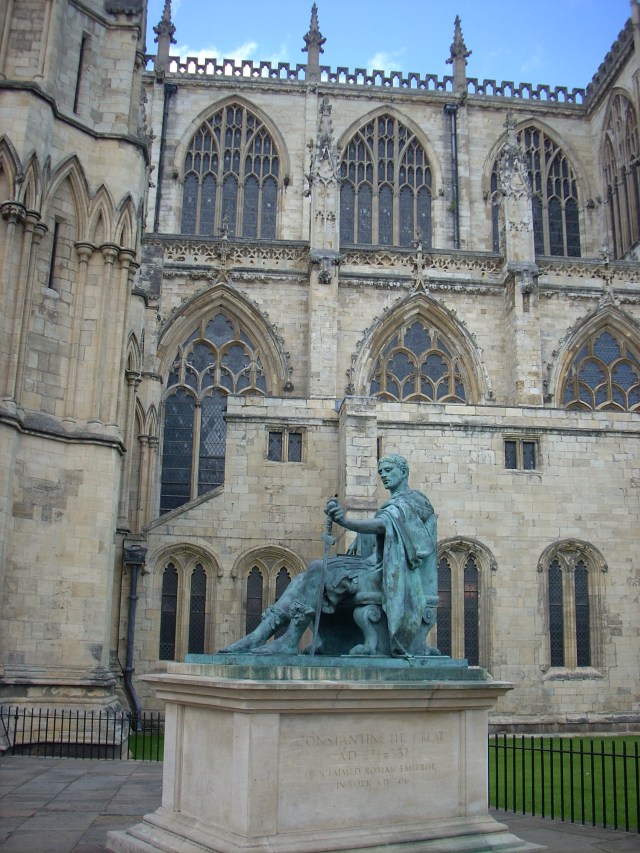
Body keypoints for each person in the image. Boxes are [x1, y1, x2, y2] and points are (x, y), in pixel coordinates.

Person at [220, 454, 438, 657]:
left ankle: (289, 640)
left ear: (403, 472)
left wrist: (345, 522)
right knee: (302, 579)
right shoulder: (394, 504)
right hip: (372, 566)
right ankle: (259, 635)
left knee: (318, 568)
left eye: (389, 471)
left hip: (388, 574)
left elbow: (386, 525)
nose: (385, 476)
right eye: (381, 473)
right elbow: (387, 529)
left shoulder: (413, 501)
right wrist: (361, 540)